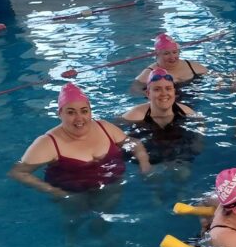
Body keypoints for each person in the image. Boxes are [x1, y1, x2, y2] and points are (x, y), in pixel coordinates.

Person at [9, 83, 151, 197]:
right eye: (71, 112)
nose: (79, 118)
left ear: (90, 111)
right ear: (60, 114)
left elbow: (133, 143)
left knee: (102, 223)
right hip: (73, 196)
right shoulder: (48, 143)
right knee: (74, 227)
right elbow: (18, 172)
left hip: (112, 187)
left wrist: (144, 163)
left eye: (84, 111)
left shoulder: (105, 128)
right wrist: (55, 192)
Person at [121, 67, 202, 165]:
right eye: (157, 89)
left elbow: (200, 121)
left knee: (183, 175)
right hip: (149, 149)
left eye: (168, 88)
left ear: (174, 92)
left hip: (175, 145)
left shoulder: (185, 111)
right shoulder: (134, 115)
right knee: (154, 178)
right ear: (148, 93)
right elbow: (116, 135)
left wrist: (198, 140)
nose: (164, 93)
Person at [134, 33, 208, 87]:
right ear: (157, 54)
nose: (172, 57)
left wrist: (219, 81)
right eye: (166, 53)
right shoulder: (148, 75)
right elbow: (136, 92)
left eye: (174, 52)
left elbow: (211, 74)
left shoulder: (191, 66)